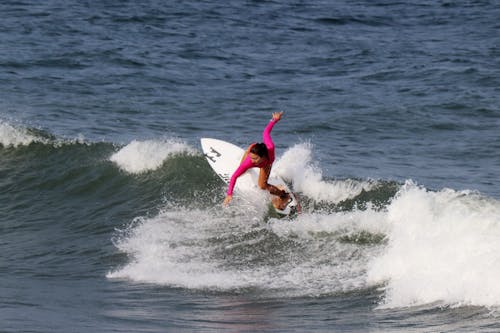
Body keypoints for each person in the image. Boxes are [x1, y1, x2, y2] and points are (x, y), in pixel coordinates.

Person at [223, 111, 290, 209]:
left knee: (262, 186)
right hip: (254, 149)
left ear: (262, 156)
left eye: (255, 159)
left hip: (265, 163)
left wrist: (275, 120)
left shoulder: (270, 148)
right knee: (242, 167)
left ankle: (283, 195)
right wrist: (229, 194)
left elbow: (266, 132)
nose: (252, 160)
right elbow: (234, 177)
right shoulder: (249, 161)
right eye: (251, 158)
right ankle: (248, 151)